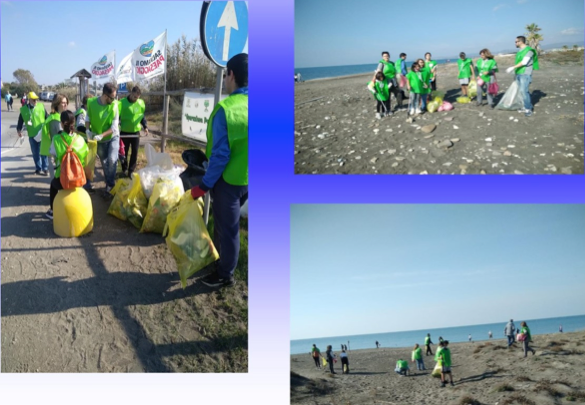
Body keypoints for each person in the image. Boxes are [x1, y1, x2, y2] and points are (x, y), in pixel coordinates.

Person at [190, 53, 248, 288]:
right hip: (248, 179)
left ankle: (225, 275)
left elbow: (220, 155)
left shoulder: (226, 110)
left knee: (229, 231)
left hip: (227, 182)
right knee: (227, 227)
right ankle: (222, 263)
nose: (224, 80)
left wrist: (204, 185)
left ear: (231, 75)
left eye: (226, 75)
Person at [46, 110, 88, 219]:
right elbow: (86, 152)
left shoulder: (56, 139)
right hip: (78, 178)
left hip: (63, 179)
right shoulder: (80, 139)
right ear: (73, 123)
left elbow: (52, 152)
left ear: (61, 123)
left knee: (53, 185)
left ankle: (52, 211)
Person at [86, 82, 120, 194]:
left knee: (112, 159)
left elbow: (114, 127)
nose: (114, 99)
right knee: (104, 162)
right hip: (99, 140)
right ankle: (109, 183)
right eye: (112, 97)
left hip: (113, 136)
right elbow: (88, 118)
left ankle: (111, 184)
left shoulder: (114, 105)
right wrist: (88, 130)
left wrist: (102, 135)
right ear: (105, 96)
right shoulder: (91, 103)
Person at [118, 86, 148, 178]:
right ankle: (124, 169)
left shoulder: (141, 103)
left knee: (134, 152)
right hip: (124, 132)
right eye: (135, 96)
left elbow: (141, 116)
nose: (136, 99)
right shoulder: (122, 103)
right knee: (124, 152)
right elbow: (117, 116)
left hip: (135, 132)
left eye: (138, 97)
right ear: (131, 93)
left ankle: (131, 171)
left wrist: (145, 126)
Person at [506, 35, 539, 117]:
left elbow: (524, 62)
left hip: (525, 73)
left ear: (521, 41)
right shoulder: (520, 51)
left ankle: (528, 109)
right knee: (520, 91)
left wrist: (512, 67)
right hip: (519, 73)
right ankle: (524, 106)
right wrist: (515, 71)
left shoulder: (529, 50)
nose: (515, 43)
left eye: (516, 41)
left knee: (524, 91)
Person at [17, 92, 49, 175]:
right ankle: (38, 168)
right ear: (29, 100)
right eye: (34, 100)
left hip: (42, 133)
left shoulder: (41, 106)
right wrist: (19, 130)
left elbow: (47, 117)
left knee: (43, 152)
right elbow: (20, 121)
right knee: (35, 153)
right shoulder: (24, 110)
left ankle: (45, 168)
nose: (35, 101)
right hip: (32, 135)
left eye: (36, 99)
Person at [41, 94, 69, 181]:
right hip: (57, 153)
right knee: (57, 180)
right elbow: (63, 136)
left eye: (66, 103)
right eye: (63, 103)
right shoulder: (56, 119)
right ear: (57, 104)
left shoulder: (55, 116)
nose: (65, 105)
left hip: (56, 151)